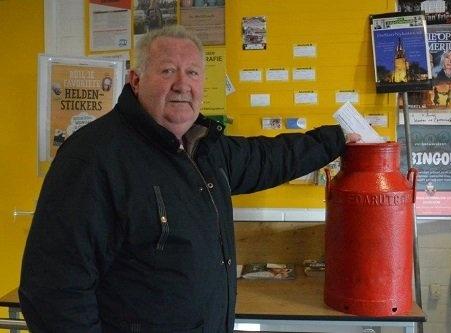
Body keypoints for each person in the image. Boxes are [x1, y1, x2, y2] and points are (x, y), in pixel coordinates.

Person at [19, 25, 361, 332]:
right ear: (135, 81)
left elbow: (270, 158)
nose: (182, 83)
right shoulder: (93, 157)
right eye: (167, 70)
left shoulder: (204, 149)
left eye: (193, 72)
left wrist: (337, 138)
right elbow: (53, 291)